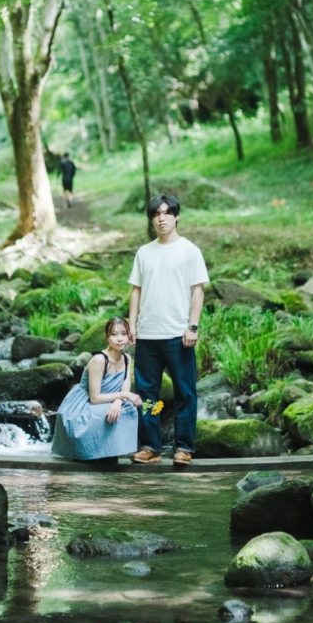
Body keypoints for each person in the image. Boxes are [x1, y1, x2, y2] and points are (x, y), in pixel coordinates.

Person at [128, 194, 209, 467]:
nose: (161, 218)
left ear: (176, 216)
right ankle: (151, 447)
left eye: (166, 213)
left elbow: (197, 291)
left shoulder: (190, 251)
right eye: (156, 214)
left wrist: (192, 326)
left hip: (178, 335)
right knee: (148, 395)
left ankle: (184, 447)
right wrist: (132, 323)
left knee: (185, 392)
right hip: (147, 335)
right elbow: (136, 290)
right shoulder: (144, 252)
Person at [51, 317, 142, 461]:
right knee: (107, 412)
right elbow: (95, 398)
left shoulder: (126, 358)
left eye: (124, 334)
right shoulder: (99, 360)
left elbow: (125, 387)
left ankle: (110, 451)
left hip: (110, 399)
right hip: (84, 404)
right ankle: (92, 452)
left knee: (129, 409)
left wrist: (118, 402)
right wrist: (124, 395)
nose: (120, 339)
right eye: (114, 334)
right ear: (107, 337)